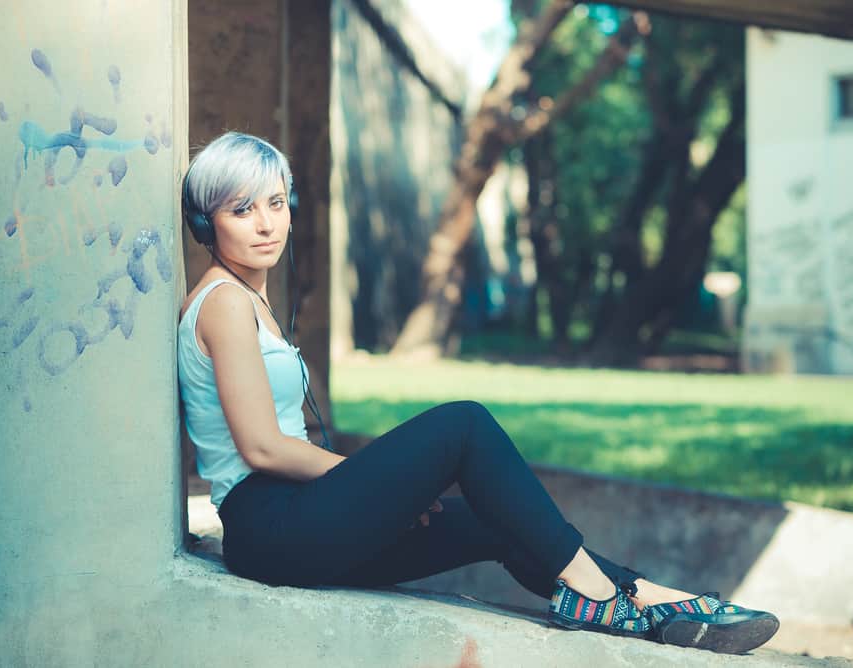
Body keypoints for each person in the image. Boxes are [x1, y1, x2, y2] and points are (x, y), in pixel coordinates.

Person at [177, 131, 779, 655]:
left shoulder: (247, 298)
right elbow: (261, 448)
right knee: (464, 424)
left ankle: (655, 602)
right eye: (241, 209)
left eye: (276, 204)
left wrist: (374, 492)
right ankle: (598, 596)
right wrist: (375, 485)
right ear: (208, 223)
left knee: (494, 519)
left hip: (298, 522)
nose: (265, 223)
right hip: (274, 530)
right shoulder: (225, 303)